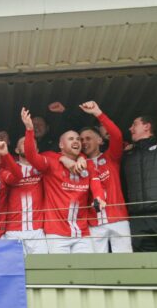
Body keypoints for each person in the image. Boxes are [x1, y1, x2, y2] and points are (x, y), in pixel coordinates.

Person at [21, 108, 106, 254]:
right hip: (56, 233)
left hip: (82, 233)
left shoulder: (88, 164)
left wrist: (99, 198)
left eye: (78, 139)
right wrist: (29, 130)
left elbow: (96, 184)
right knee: (60, 274)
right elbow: (31, 156)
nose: (76, 141)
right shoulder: (51, 163)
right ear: (61, 145)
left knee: (86, 272)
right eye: (71, 139)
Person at [78, 101, 132, 253]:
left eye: (88, 138)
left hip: (118, 219)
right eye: (81, 140)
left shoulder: (111, 157)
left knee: (125, 263)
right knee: (98, 266)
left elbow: (117, 135)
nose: (84, 142)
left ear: (100, 140)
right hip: (93, 222)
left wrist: (98, 113)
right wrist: (80, 156)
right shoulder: (78, 165)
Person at [123, 115, 157, 251]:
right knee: (145, 267)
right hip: (137, 219)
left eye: (134, 124)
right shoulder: (127, 156)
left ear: (147, 126)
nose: (130, 128)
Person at [3, 136, 47, 254]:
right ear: (16, 150)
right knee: (14, 270)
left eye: (32, 143)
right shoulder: (7, 167)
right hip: (13, 231)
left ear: (37, 150)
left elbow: (57, 157)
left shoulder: (42, 168)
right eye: (24, 143)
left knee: (42, 269)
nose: (28, 145)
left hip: (37, 231)